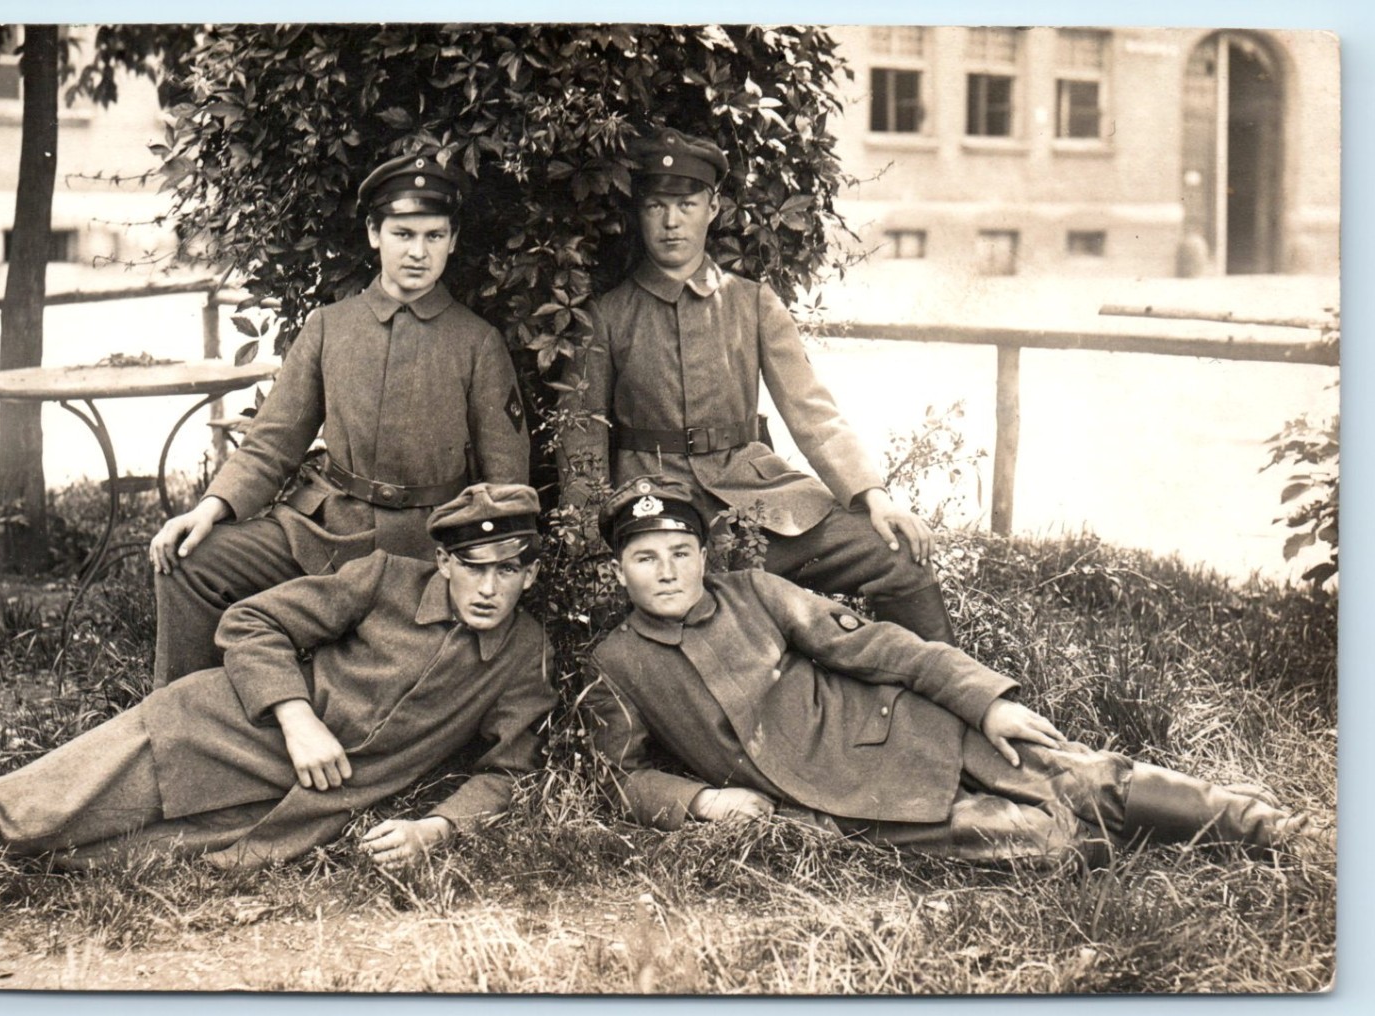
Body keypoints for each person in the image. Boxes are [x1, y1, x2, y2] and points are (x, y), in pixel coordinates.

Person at [580, 476, 1312, 864]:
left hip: (908, 729)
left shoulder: (755, 593)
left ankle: (1263, 826)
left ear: (705, 559)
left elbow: (882, 648)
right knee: (1049, 844)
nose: (668, 571)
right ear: (620, 574)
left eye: (681, 553)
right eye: (646, 557)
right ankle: (1186, 823)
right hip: (838, 805)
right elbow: (620, 771)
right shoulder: (615, 662)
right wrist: (702, 801)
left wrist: (983, 701)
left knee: (1084, 778)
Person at [0, 484, 555, 872]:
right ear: (447, 563)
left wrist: (437, 828)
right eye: (475, 568)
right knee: (23, 814)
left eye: (510, 570)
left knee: (78, 864)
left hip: (282, 814)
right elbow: (249, 623)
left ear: (528, 573)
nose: (490, 588)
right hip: (211, 732)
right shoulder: (385, 579)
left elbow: (508, 768)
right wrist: (297, 718)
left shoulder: (524, 654)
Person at [148, 148, 530, 685]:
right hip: (325, 534)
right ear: (374, 234)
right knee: (192, 562)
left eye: (434, 236)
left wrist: (483, 564)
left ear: (453, 240)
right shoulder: (329, 327)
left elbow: (506, 483)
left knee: (387, 673)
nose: (418, 252)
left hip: (423, 550)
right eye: (403, 234)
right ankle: (187, 712)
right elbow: (272, 441)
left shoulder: (477, 343)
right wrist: (211, 508)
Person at [557, 127, 954, 643]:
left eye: (687, 203)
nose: (672, 222)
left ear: (713, 206)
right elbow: (581, 437)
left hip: (759, 505)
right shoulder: (607, 317)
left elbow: (813, 411)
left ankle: (951, 705)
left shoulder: (751, 302)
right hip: (658, 512)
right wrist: (588, 538)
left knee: (895, 554)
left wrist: (873, 495)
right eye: (656, 205)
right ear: (639, 212)